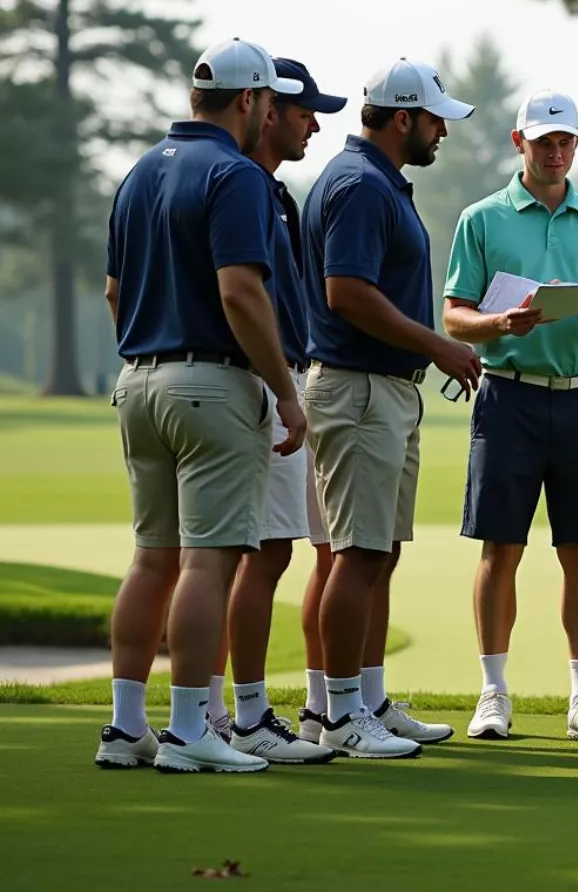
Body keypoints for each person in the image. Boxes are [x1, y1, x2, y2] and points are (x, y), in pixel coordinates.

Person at [96, 38, 307, 775]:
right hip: (211, 383)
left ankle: (126, 729)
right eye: (269, 104)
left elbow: (115, 292)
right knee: (207, 563)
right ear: (249, 101)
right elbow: (241, 292)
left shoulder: (136, 173)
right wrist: (285, 389)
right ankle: (189, 729)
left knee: (151, 559)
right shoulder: (236, 175)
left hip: (138, 380)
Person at [443, 91, 578, 743]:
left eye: (565, 141)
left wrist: (576, 302)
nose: (555, 151)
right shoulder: (482, 219)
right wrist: (501, 322)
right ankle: (493, 692)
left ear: (576, 146)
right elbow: (454, 316)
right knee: (502, 548)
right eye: (543, 141)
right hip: (508, 397)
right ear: (518, 143)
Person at [302, 57, 481, 759]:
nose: (443, 131)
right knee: (356, 554)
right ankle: (342, 714)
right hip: (358, 387)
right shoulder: (360, 186)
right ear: (403, 117)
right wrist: (438, 345)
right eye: (436, 119)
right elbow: (347, 291)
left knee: (378, 553)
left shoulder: (376, 183)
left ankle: (362, 699)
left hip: (380, 389)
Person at [210, 58, 345, 765]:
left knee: (234, 553)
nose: (314, 125)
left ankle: (210, 711)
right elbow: (241, 295)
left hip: (257, 378)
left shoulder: (267, 190)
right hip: (259, 382)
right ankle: (249, 715)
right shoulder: (246, 188)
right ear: (267, 111)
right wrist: (283, 390)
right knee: (261, 553)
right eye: (303, 113)